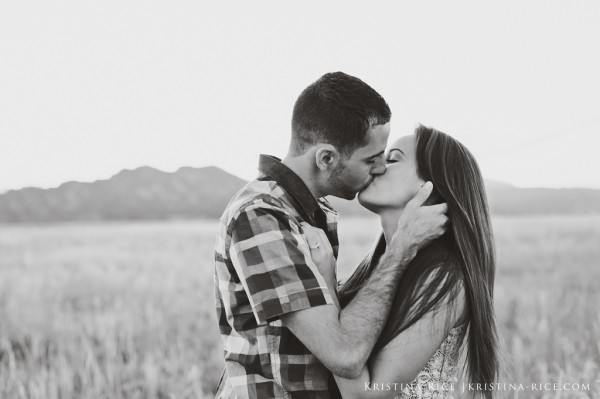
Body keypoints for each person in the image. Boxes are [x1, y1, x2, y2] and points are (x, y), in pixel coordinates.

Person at [213, 73, 448, 398]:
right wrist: (401, 247)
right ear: (326, 158)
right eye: (371, 159)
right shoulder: (261, 215)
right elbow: (344, 355)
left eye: (387, 157)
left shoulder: (315, 213)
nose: (379, 168)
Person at [304, 125, 499, 399]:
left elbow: (365, 395)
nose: (377, 165)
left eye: (392, 158)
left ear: (430, 186)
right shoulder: (382, 269)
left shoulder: (445, 278)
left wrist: (324, 284)